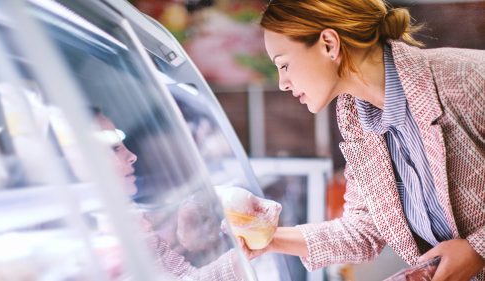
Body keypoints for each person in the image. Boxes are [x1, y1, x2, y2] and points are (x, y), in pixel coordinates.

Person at [253, 0, 485, 280]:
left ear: (328, 43)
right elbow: (363, 230)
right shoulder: (356, 121)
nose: (282, 83)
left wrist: (477, 249)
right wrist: (266, 239)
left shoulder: (466, 78)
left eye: (284, 65)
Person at [91, 109, 250, 281]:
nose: (132, 156)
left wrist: (248, 250)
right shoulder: (97, 241)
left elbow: (186, 276)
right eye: (114, 148)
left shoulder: (132, 221)